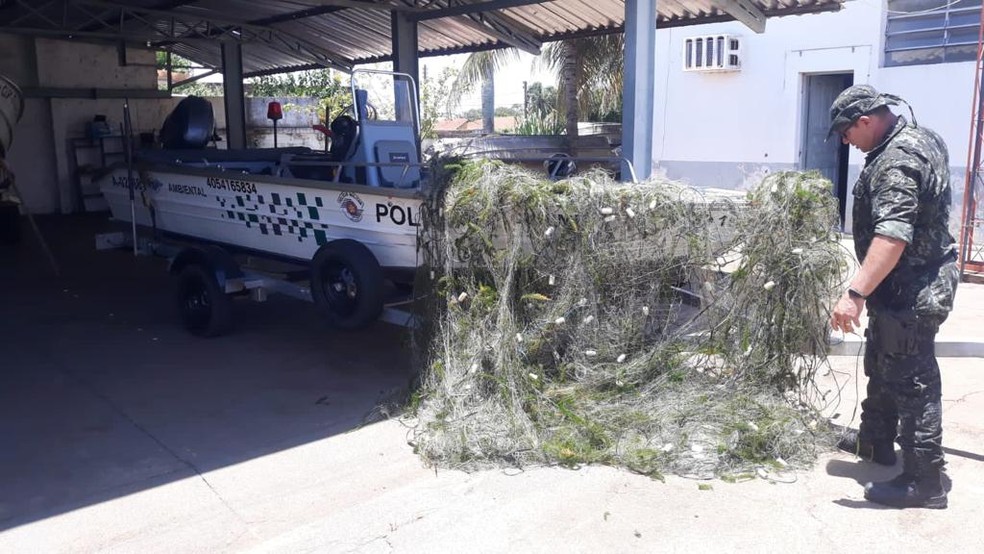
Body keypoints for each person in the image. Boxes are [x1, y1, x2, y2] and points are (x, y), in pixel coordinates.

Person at [827, 84, 958, 509]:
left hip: (914, 290)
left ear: (866, 121)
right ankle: (876, 441)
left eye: (846, 133)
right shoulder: (917, 137)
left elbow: (892, 236)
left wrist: (854, 293)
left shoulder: (898, 160)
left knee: (912, 381)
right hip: (898, 287)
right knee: (883, 364)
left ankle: (924, 481)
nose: (846, 141)